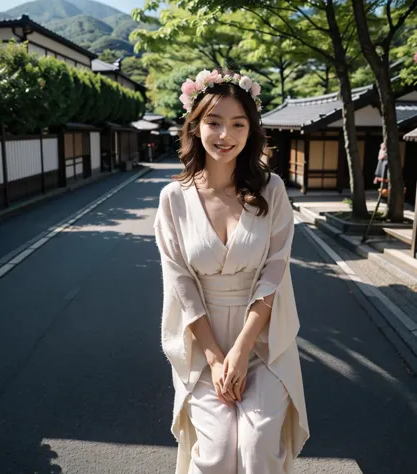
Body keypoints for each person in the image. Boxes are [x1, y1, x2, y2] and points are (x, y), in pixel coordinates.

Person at [153, 69, 310, 474]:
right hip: (203, 342)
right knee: (219, 451)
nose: (225, 135)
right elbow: (181, 283)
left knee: (258, 449)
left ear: (251, 130)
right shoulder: (174, 198)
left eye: (238, 123)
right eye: (214, 122)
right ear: (196, 126)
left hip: (261, 338)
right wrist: (216, 358)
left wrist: (240, 352)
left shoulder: (271, 190)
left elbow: (273, 273)